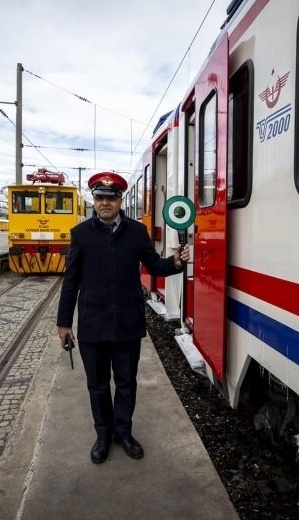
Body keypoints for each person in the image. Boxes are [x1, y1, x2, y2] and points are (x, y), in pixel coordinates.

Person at [57, 171, 190, 464]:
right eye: (100, 197)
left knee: (127, 382)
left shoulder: (136, 231)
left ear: (120, 200)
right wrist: (64, 323)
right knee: (98, 385)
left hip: (128, 322)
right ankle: (103, 436)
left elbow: (154, 265)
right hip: (92, 323)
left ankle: (123, 433)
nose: (105, 202)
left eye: (111, 197)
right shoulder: (81, 234)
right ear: (94, 200)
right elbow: (71, 280)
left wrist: (176, 262)